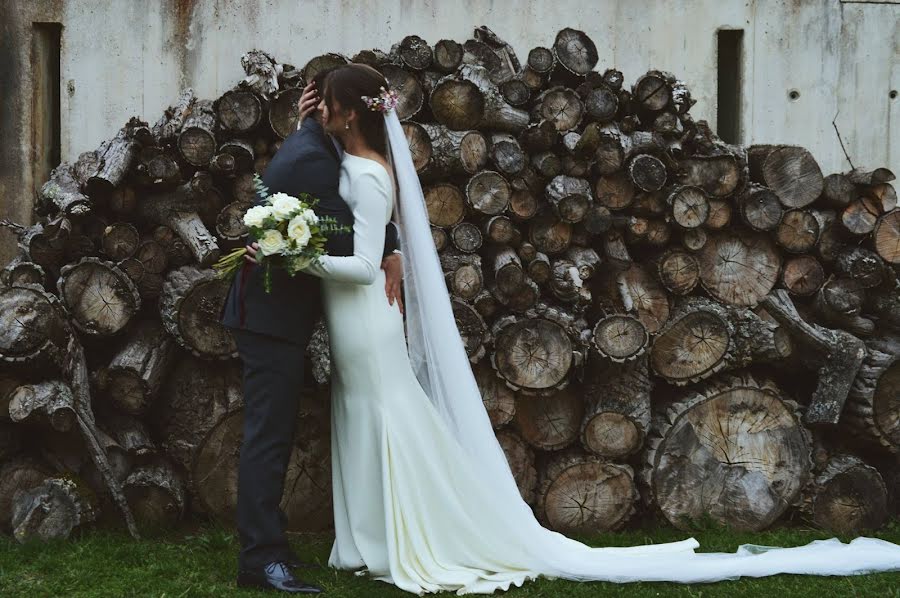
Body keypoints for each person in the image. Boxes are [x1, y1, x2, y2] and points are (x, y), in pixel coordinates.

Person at [273, 63, 900, 595]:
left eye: (327, 103)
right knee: (359, 419)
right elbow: (366, 235)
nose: (321, 110)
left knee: (388, 423)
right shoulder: (350, 158)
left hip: (364, 321)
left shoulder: (371, 174)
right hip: (353, 323)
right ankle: (366, 542)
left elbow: (359, 265)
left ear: (349, 113)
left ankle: (413, 538)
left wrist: (290, 253)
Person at [219, 66, 404, 594]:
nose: (322, 109)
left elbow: (356, 213)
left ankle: (270, 547)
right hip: (270, 317)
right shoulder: (311, 160)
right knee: (267, 438)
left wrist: (388, 247)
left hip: (278, 313)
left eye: (325, 101)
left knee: (271, 435)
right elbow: (348, 219)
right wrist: (385, 249)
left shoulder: (317, 146)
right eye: (321, 101)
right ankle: (260, 559)